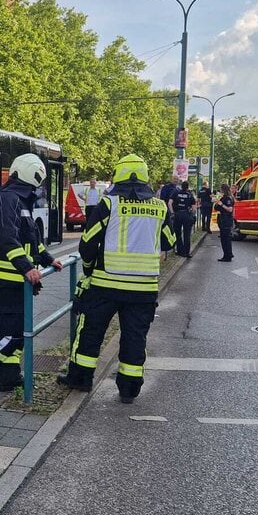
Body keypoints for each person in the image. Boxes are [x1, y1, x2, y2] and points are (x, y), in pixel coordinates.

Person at [57, 154, 175, 404]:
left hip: (105, 284)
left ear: (118, 175)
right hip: (144, 289)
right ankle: (129, 389)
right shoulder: (160, 207)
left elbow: (88, 242)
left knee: (90, 332)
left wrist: (89, 269)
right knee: (135, 337)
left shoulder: (109, 204)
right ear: (144, 177)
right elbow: (170, 242)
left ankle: (80, 379)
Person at [0, 154, 62, 392]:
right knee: (13, 332)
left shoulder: (21, 200)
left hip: (18, 278)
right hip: (9, 278)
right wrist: (27, 268)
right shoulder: (9, 199)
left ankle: (8, 376)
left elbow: (31, 239)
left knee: (17, 329)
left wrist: (48, 259)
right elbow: (8, 240)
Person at [170, 180, 196, 258]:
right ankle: (187, 252)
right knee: (187, 234)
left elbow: (169, 203)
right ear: (187, 187)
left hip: (177, 214)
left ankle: (180, 250)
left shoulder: (176, 193)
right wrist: (193, 215)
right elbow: (194, 207)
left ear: (181, 186)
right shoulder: (190, 194)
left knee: (177, 233)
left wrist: (172, 213)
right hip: (187, 215)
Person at [215, 183, 235, 262]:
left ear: (223, 189)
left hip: (225, 220)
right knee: (225, 238)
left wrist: (221, 204)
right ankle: (227, 254)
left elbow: (230, 209)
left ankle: (227, 256)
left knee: (225, 239)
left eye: (221, 189)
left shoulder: (228, 198)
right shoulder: (225, 197)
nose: (220, 190)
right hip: (223, 220)